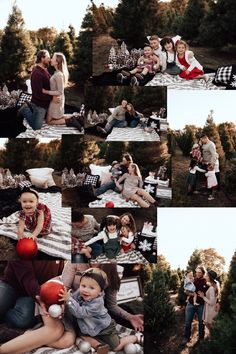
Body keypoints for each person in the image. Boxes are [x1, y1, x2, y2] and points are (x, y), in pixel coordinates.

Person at [60, 268, 139, 353]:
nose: (86, 290)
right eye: (83, 286)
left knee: (115, 346)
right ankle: (100, 346)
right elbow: (73, 298)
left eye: (91, 288)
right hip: (88, 328)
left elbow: (81, 312)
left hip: (104, 328)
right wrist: (65, 303)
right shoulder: (81, 292)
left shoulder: (97, 303)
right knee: (81, 334)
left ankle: (136, 337)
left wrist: (69, 300)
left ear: (100, 292)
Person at [61, 262, 144, 332]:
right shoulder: (76, 262)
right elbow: (64, 289)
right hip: (71, 306)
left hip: (93, 311)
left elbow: (111, 305)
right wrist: (63, 305)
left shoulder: (111, 270)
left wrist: (130, 317)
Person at [0, 261, 64, 332]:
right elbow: (28, 279)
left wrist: (58, 301)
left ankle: (4, 314)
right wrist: (41, 299)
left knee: (23, 320)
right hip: (10, 285)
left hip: (28, 293)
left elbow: (59, 276)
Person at [18, 50, 58, 130]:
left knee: (53, 118)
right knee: (36, 127)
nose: (50, 60)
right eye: (48, 58)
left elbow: (49, 81)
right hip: (39, 104)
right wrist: (52, 98)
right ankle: (24, 109)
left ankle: (29, 105)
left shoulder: (44, 70)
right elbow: (38, 94)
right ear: (42, 58)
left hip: (46, 102)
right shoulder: (37, 74)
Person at [42, 52, 83, 131]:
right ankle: (77, 118)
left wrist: (46, 91)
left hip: (57, 99)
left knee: (49, 121)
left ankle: (69, 121)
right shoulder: (57, 73)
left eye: (53, 58)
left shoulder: (59, 75)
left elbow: (60, 91)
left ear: (57, 62)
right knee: (58, 116)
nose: (51, 59)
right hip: (57, 99)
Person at [183, 266, 209, 344]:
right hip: (191, 304)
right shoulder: (193, 280)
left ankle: (201, 338)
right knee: (188, 322)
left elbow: (211, 293)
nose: (197, 274)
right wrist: (190, 293)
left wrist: (204, 296)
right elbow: (186, 291)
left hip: (201, 305)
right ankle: (187, 337)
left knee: (201, 323)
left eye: (199, 272)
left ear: (203, 273)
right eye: (196, 272)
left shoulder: (206, 282)